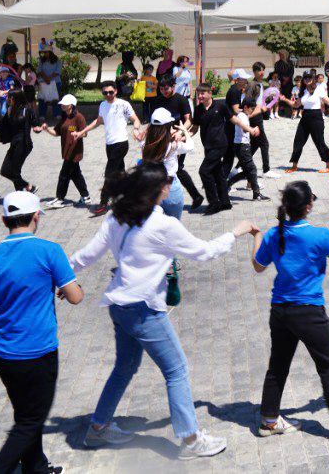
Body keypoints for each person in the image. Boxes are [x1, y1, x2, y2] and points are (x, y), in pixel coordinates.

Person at [71, 164, 256, 458]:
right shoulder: (163, 224)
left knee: (124, 367)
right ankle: (191, 440)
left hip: (119, 306)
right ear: (158, 188)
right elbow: (205, 252)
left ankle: (98, 428)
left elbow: (87, 255)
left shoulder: (116, 215)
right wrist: (235, 233)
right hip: (143, 311)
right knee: (176, 370)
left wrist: (63, 275)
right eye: (168, 180)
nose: (171, 184)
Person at [0, 191, 84, 474]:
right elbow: (75, 297)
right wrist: (71, 288)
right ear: (36, 216)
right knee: (30, 421)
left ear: (3, 219)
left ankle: (36, 467)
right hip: (38, 352)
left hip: (2, 354)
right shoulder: (49, 251)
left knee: (25, 412)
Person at [251, 181, 329, 440]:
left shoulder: (274, 234)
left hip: (280, 310)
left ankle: (269, 421)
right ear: (308, 206)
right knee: (328, 364)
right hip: (309, 312)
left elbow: (258, 265)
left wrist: (256, 236)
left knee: (278, 365)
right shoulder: (319, 235)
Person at [80, 80, 143, 209]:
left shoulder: (123, 104)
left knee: (109, 173)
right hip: (109, 144)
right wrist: (83, 131)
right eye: (105, 93)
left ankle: (103, 202)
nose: (108, 95)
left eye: (110, 92)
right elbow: (98, 121)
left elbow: (136, 119)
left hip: (121, 143)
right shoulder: (103, 105)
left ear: (116, 91)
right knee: (120, 172)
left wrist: (136, 129)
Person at [145, 75, 205, 206]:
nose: (164, 91)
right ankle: (191, 196)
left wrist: (180, 132)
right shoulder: (157, 100)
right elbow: (153, 122)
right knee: (171, 168)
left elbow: (189, 120)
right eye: (161, 89)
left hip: (177, 139)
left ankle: (171, 198)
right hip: (161, 138)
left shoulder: (181, 100)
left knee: (176, 168)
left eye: (166, 88)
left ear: (173, 86)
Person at [38, 93, 90, 209]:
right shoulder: (64, 117)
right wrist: (47, 129)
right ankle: (85, 196)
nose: (62, 105)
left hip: (74, 152)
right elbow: (56, 132)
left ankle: (60, 198)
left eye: (64, 104)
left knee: (64, 176)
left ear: (71, 105)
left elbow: (85, 133)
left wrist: (78, 134)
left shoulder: (79, 117)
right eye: (62, 103)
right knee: (76, 175)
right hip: (66, 151)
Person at [191, 83, 235, 214]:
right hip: (208, 145)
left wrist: (248, 129)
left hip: (220, 144)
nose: (200, 96)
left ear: (210, 93)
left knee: (204, 171)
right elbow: (195, 127)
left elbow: (234, 119)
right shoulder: (198, 109)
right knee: (218, 174)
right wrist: (184, 136)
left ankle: (214, 203)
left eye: (202, 93)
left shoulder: (220, 106)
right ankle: (225, 202)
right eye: (198, 93)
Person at [285, 73, 329, 172]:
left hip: (316, 117)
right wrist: (284, 99)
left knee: (319, 142)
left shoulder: (318, 89)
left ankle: (328, 166)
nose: (307, 79)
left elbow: (328, 101)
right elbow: (296, 105)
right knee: (298, 141)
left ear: (313, 79)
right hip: (305, 117)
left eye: (309, 78)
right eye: (305, 78)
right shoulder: (303, 91)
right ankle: (294, 166)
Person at [0, 89, 37, 194]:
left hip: (24, 144)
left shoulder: (26, 110)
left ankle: (22, 192)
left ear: (14, 98)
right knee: (5, 171)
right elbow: (3, 125)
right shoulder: (10, 109)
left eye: (9, 97)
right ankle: (27, 188)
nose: (7, 99)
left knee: (14, 171)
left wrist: (37, 128)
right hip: (15, 144)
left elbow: (35, 123)